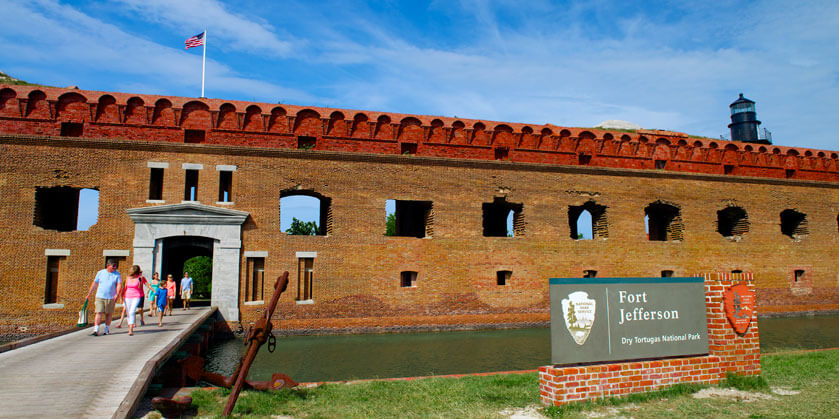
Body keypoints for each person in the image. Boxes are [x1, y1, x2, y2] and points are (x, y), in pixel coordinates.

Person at [85, 259, 122, 337]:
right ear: (108, 265)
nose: (114, 268)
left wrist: (117, 294)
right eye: (113, 266)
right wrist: (89, 293)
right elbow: (95, 283)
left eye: (115, 266)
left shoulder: (117, 274)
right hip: (100, 296)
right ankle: (96, 330)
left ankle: (106, 329)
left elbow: (119, 284)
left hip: (111, 297)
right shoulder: (100, 273)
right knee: (98, 312)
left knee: (108, 313)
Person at [120, 265, 148, 336]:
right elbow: (124, 288)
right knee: (128, 312)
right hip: (127, 297)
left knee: (132, 311)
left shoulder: (140, 278)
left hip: (136, 296)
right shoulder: (127, 278)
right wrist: (121, 297)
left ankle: (131, 330)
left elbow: (140, 287)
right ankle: (130, 326)